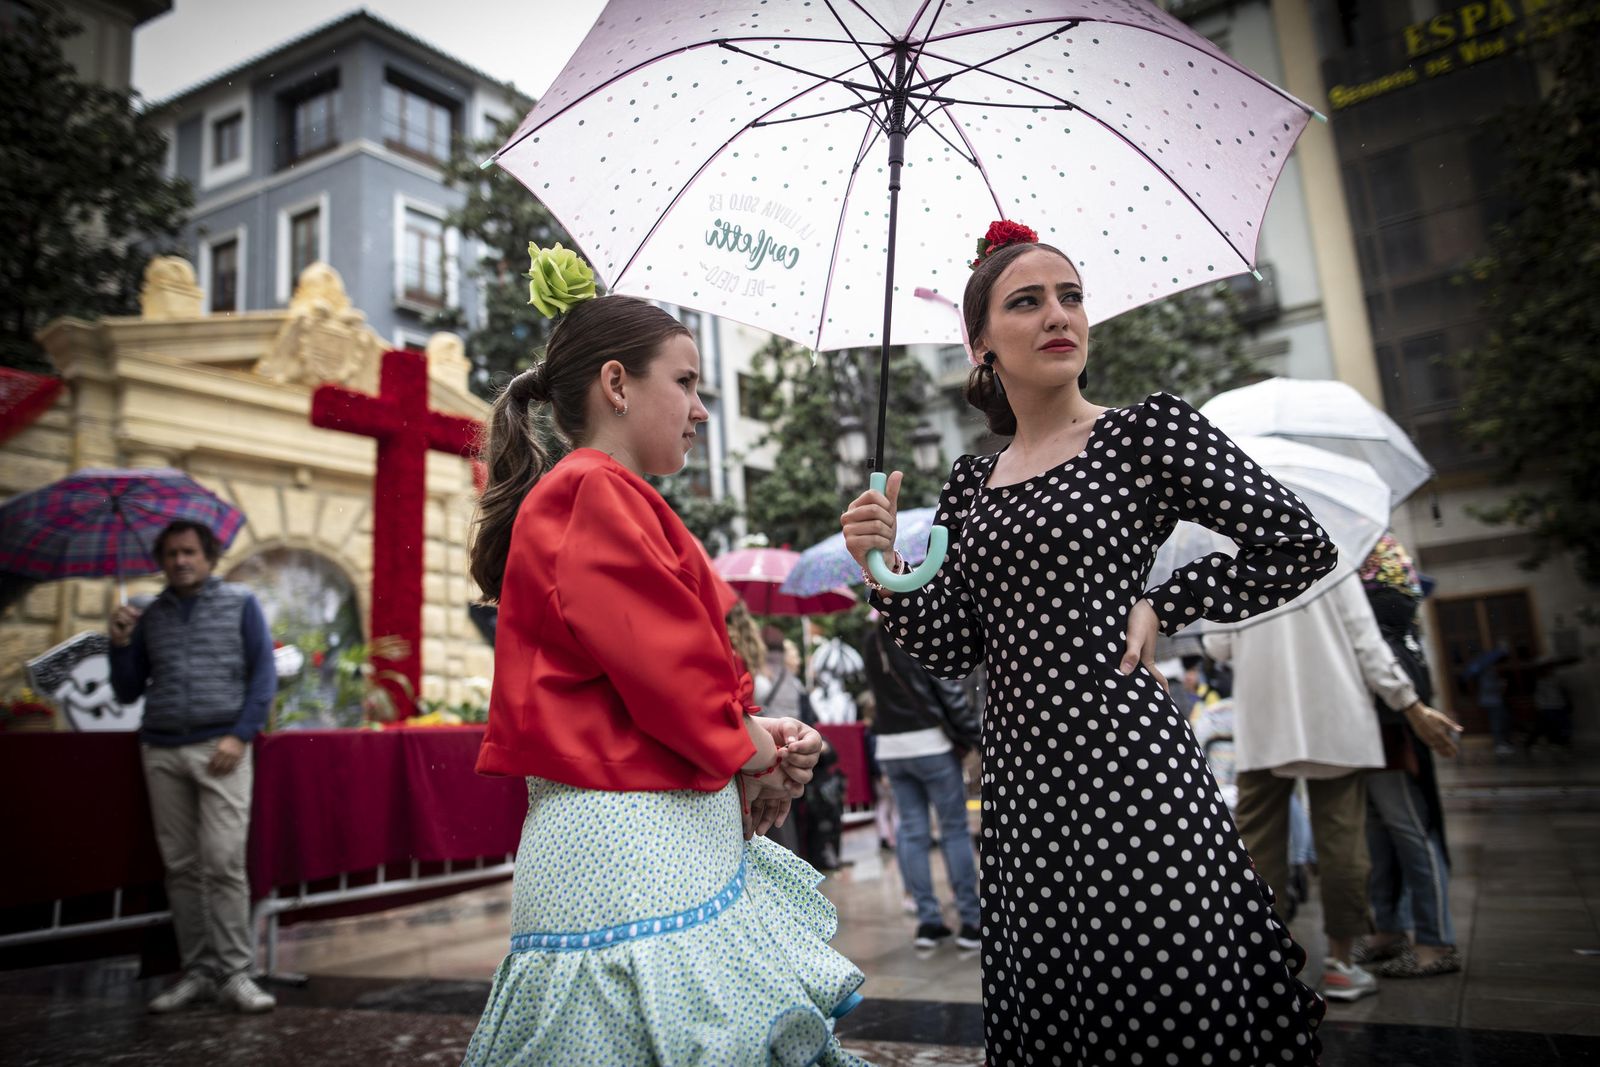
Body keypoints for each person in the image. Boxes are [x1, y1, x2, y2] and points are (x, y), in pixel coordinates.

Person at [843, 225, 1332, 1064]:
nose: (1057, 315)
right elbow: (956, 642)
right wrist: (881, 568)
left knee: (1156, 995)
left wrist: (1166, 601)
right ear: (981, 343)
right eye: (1026, 302)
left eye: (1070, 296)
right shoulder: (970, 480)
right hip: (1024, 783)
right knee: (1056, 1008)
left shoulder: (1146, 434)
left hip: (1130, 767)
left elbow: (1297, 543)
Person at [463, 288, 865, 1066]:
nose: (701, 409)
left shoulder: (601, 494)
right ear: (617, 384)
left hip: (640, 851)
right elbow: (671, 675)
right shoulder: (592, 489)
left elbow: (667, 674)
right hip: (633, 858)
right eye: (685, 382)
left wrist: (757, 743)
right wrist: (758, 747)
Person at [1204, 570, 1462, 1002]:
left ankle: (1268, 967)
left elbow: (1218, 645)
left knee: (1257, 847)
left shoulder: (1231, 565)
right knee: (1343, 843)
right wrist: (1410, 704)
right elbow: (1367, 644)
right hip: (1336, 721)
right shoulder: (1333, 556)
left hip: (1265, 721)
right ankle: (1342, 963)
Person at [108, 520, 278, 1014]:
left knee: (223, 862)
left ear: (208, 556)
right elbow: (126, 690)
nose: (180, 561)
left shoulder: (240, 603)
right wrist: (120, 644)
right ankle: (199, 972)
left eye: (189, 552)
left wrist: (239, 735)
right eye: (170, 554)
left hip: (221, 749)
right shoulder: (148, 614)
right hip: (161, 750)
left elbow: (263, 676)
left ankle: (236, 973)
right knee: (181, 868)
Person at [1353, 534, 1463, 978]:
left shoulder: (1369, 552)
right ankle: (1390, 929)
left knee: (1411, 829)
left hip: (1391, 722)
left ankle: (1436, 941)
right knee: (1380, 831)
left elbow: (1373, 644)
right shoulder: (1373, 550)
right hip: (1371, 723)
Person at [862, 623, 982, 951]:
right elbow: (946, 690)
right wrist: (974, 736)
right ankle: (971, 922)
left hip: (890, 747)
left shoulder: (872, 639)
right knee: (954, 830)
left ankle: (928, 922)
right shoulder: (916, 627)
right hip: (931, 744)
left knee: (912, 832)